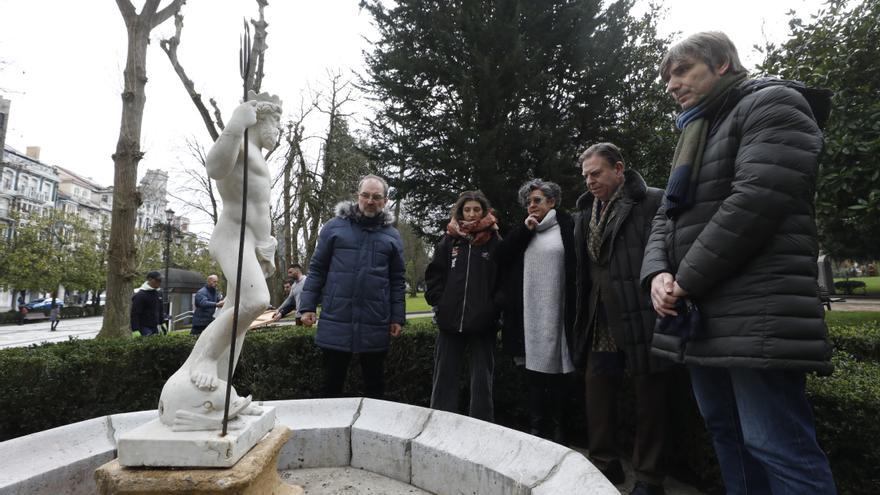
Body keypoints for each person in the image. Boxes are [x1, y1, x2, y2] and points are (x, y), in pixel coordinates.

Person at [641, 31, 836, 494]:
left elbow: (754, 204)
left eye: (682, 70)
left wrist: (684, 279)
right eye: (668, 76)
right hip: (703, 314)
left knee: (777, 447)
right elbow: (668, 215)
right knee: (727, 435)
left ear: (723, 63)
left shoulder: (774, 104)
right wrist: (657, 274)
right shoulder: (696, 129)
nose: (671, 83)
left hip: (756, 313)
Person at [571, 143, 670, 494]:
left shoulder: (653, 201)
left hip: (643, 314)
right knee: (597, 388)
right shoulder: (584, 212)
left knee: (650, 396)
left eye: (596, 173)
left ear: (619, 168)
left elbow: (667, 251)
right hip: (600, 317)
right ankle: (604, 462)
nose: (589, 181)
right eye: (585, 176)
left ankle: (649, 477)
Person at [298, 174, 406, 399]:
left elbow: (397, 280)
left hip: (375, 321)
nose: (370, 201)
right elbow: (317, 269)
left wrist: (397, 317)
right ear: (358, 196)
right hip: (337, 318)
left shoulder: (392, 236)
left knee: (375, 388)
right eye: (365, 195)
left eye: (376, 197)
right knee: (330, 386)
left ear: (385, 201)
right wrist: (307, 306)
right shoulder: (334, 227)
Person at [496, 179, 575, 442]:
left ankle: (564, 432)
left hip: (559, 314)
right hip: (529, 317)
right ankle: (538, 432)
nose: (531, 206)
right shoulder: (525, 230)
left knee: (562, 376)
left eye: (537, 200)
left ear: (551, 202)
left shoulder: (567, 226)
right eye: (528, 202)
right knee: (534, 378)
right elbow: (501, 257)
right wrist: (524, 230)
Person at [425, 190, 501, 421]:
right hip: (450, 321)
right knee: (444, 377)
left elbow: (503, 280)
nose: (471, 214)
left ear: (484, 211)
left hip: (483, 323)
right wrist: (440, 303)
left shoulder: (495, 241)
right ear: (460, 211)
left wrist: (493, 309)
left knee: (481, 380)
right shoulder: (449, 239)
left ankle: (481, 426)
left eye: (476, 209)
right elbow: (434, 274)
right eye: (467, 209)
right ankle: (440, 424)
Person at [131, 271, 164, 337]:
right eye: (157, 280)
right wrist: (135, 329)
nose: (159, 282)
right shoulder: (140, 295)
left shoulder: (157, 293)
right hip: (144, 327)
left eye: (160, 280)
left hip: (155, 327)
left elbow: (160, 309)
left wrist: (162, 322)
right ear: (150, 279)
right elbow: (135, 313)